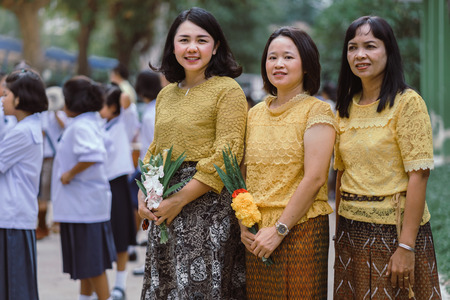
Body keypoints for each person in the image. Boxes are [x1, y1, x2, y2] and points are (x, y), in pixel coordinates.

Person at [137, 7, 247, 299]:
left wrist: (179, 199)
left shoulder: (228, 90)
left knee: (200, 289)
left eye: (202, 39)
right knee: (167, 285)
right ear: (172, 46)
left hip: (207, 205)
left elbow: (228, 153)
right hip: (165, 208)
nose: (192, 48)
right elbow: (155, 150)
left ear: (216, 46)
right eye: (184, 39)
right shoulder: (165, 94)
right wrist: (144, 195)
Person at [333, 16, 441, 299]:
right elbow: (341, 173)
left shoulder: (408, 103)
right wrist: (338, 234)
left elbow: (419, 175)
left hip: (394, 232)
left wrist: (406, 247)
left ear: (389, 51)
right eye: (352, 47)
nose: (360, 55)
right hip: (349, 232)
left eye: (370, 46)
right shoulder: (344, 107)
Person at [240, 27, 336, 299]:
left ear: (306, 65)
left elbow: (315, 178)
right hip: (257, 234)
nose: (278, 64)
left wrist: (279, 229)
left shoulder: (317, 111)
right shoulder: (255, 113)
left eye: (288, 57)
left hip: (300, 230)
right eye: (272, 57)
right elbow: (245, 172)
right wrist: (243, 226)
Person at [51, 76, 116, 300]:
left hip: (83, 206)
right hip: (84, 206)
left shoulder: (81, 126)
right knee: (86, 264)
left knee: (92, 265)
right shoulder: (87, 123)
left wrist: (69, 174)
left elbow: (93, 155)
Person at [0, 69, 48, 300]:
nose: (2, 99)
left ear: (19, 99)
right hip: (15, 215)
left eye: (6, 94)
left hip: (12, 217)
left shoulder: (22, 132)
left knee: (15, 288)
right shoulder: (27, 126)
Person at [100, 84, 137, 300]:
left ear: (113, 107)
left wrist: (114, 86)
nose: (98, 108)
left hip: (118, 184)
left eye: (102, 104)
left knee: (121, 236)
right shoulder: (99, 125)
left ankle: (120, 284)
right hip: (101, 185)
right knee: (103, 235)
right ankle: (102, 283)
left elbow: (126, 100)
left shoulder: (123, 122)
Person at [128, 70, 163, 276]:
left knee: (149, 215)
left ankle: (151, 263)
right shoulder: (154, 109)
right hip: (149, 169)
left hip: (151, 171)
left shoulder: (152, 113)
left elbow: (153, 146)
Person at [36, 86, 67, 239]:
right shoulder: (42, 114)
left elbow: (64, 127)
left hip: (52, 157)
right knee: (41, 192)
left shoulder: (59, 114)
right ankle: (42, 225)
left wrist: (55, 112)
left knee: (46, 193)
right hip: (41, 156)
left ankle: (44, 226)